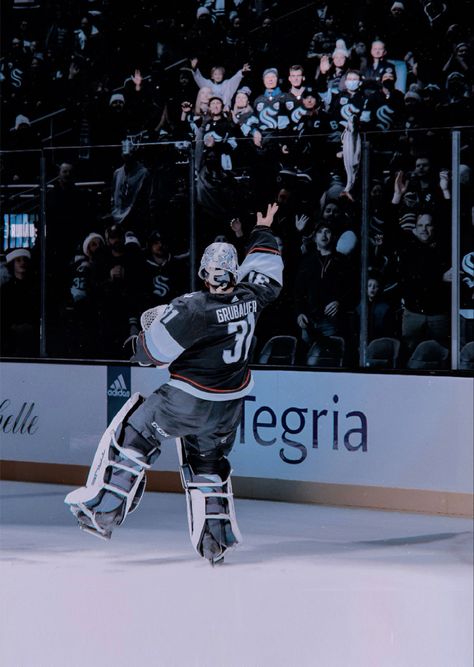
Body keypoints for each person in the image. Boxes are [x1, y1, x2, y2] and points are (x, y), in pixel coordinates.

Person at [65, 202, 283, 565]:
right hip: (229, 407)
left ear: (204, 273)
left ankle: (103, 510)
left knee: (136, 433)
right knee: (208, 462)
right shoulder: (250, 297)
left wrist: (135, 344)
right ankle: (215, 541)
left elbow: (154, 353)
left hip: (186, 399)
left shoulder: (193, 308)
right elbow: (267, 272)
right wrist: (262, 231)